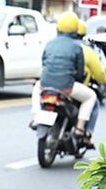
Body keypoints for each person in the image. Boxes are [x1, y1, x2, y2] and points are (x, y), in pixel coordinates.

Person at [30, 12, 96, 146]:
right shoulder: (77, 47)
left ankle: (36, 117)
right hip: (66, 87)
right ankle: (80, 128)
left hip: (45, 84)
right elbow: (79, 72)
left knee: (36, 88)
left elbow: (44, 63)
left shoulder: (50, 44)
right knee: (91, 96)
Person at [76, 20, 106, 139]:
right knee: (92, 99)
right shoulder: (85, 50)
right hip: (71, 86)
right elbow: (100, 74)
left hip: (48, 85)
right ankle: (84, 132)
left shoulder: (53, 44)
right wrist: (104, 81)